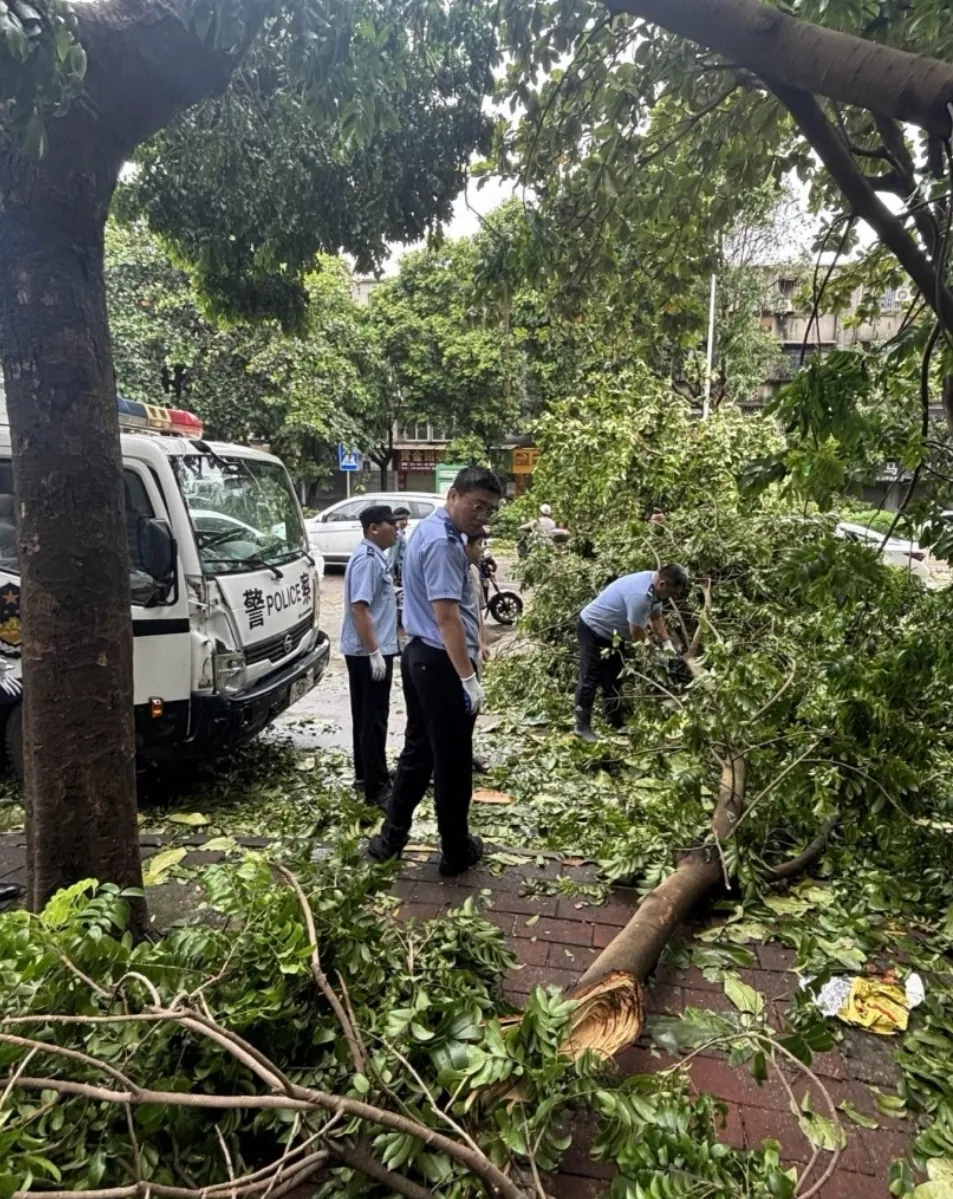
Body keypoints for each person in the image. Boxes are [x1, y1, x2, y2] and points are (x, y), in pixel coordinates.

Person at [368, 466, 502, 875]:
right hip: (442, 663)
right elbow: (447, 619)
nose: (482, 517)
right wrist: (468, 678)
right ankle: (456, 849)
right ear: (453, 495)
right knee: (453, 761)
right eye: (477, 506)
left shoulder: (428, 530)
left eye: (490, 510)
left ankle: (390, 840)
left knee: (420, 751)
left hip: (420, 657)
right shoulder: (444, 543)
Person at [573, 563, 689, 743]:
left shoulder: (655, 587)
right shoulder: (640, 595)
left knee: (614, 678)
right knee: (590, 677)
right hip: (593, 628)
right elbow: (636, 632)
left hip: (614, 635)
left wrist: (667, 644)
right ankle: (581, 726)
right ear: (663, 584)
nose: (673, 597)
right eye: (673, 592)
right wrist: (654, 653)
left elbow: (656, 617)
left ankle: (615, 721)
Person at [341, 505, 400, 806]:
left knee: (366, 717)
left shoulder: (374, 556)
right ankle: (376, 790)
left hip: (367, 649)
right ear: (374, 528)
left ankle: (367, 774)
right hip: (369, 652)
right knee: (373, 719)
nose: (397, 528)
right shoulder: (367, 559)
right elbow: (359, 608)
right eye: (391, 523)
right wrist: (374, 652)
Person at [388, 506, 410, 585]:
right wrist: (393, 577)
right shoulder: (397, 535)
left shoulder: (402, 534)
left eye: (406, 519)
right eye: (403, 519)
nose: (405, 522)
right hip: (398, 573)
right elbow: (392, 557)